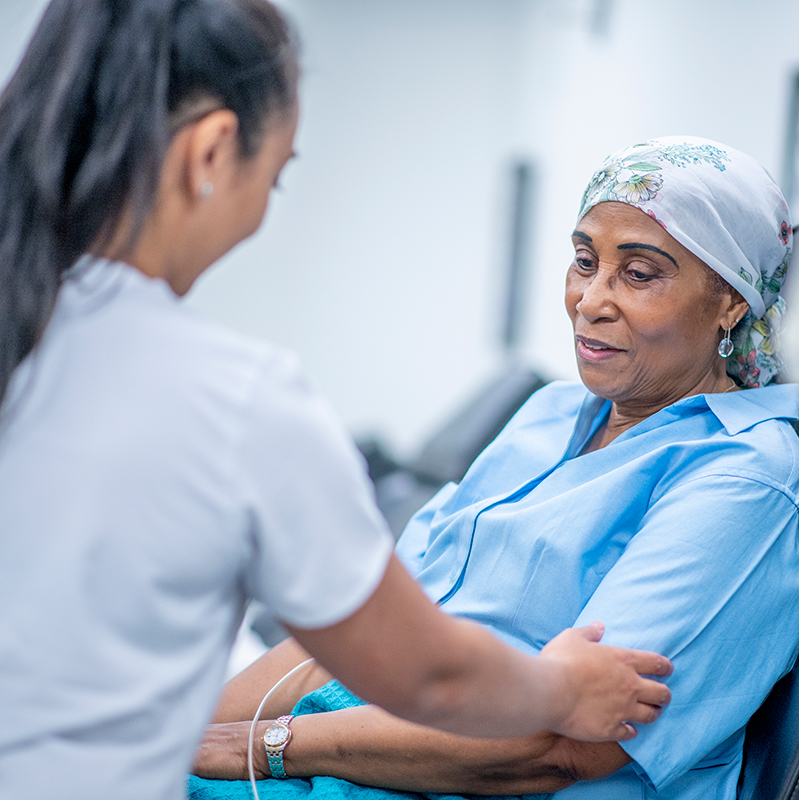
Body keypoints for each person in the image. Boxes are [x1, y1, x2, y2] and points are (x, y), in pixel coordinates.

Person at [0, 3, 676, 800]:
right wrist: (564, 687)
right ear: (213, 151)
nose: (595, 302)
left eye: (638, 273)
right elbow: (430, 673)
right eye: (276, 174)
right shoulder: (237, 402)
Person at [191, 136, 799, 800]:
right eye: (584, 261)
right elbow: (371, 630)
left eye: (639, 273)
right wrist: (183, 736)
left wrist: (263, 745)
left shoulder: (745, 480)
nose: (591, 300)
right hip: (351, 745)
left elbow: (562, 751)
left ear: (730, 302)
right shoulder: (550, 412)